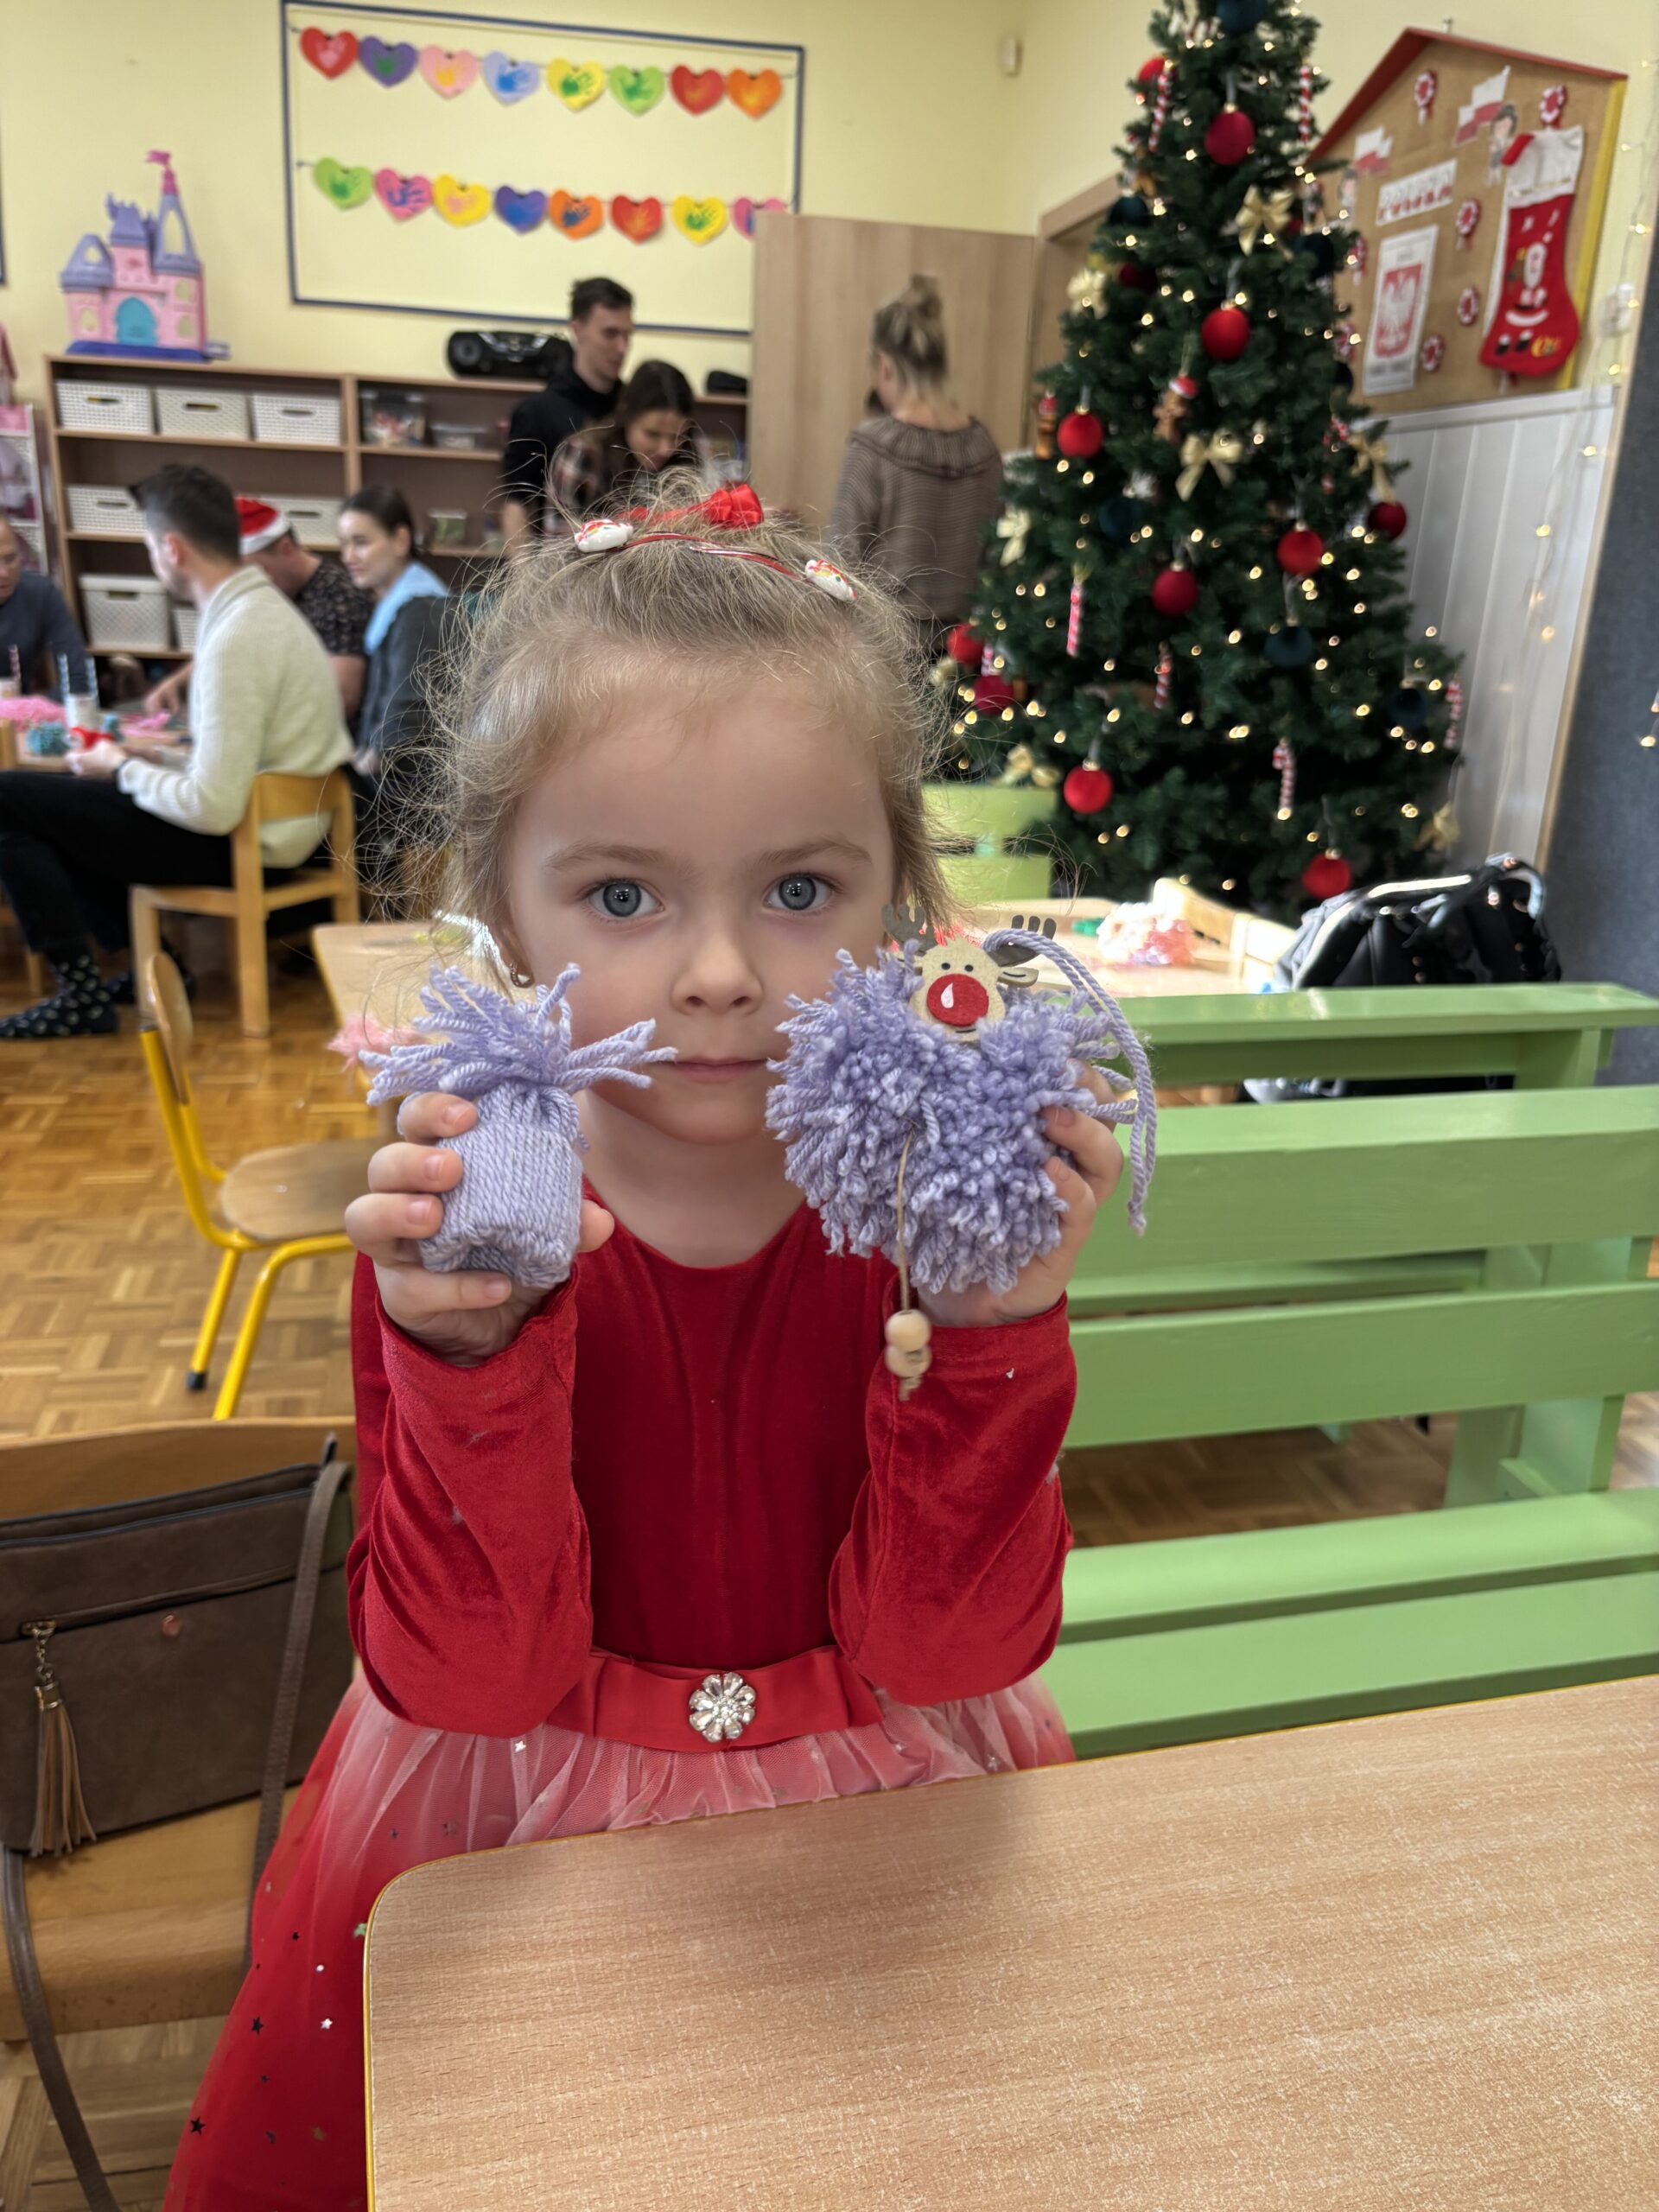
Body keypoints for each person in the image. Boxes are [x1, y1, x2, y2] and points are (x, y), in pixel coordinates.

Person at [162, 478, 1125, 2206]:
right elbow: (472, 1677)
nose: (718, 971)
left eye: (800, 886)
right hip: (503, 1825)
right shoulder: (451, 1234)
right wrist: (466, 1362)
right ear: (499, 912)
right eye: (622, 896)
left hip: (881, 1810)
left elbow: (954, 1645)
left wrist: (996, 1334)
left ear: (902, 908)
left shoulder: (927, 1222)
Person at [0, 465, 348, 1039]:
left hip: (245, 841)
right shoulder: (257, 611)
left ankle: (83, 993)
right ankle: (144, 969)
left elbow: (211, 805)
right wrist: (149, 761)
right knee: (69, 800)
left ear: (172, 548)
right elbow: (234, 762)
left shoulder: (236, 633)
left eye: (148, 548)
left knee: (12, 797)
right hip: (269, 827)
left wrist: (122, 765)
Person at [826, 276, 1003, 652]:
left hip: (886, 658)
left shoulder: (873, 447)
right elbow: (996, 564)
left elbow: (837, 571)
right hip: (963, 657)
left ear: (884, 365)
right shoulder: (984, 449)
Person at [145, 497, 371, 725]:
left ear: (286, 549)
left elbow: (342, 699)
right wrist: (178, 682)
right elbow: (231, 643)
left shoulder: (339, 600)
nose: (250, 583)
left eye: (258, 571)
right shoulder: (270, 594)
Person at [335, 486, 451, 907]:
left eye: (361, 542)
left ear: (401, 540)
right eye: (344, 544)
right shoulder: (399, 604)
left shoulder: (419, 606)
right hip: (395, 783)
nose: (349, 556)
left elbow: (409, 710)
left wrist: (366, 760)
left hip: (411, 795)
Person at [499, 276, 634, 548]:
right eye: (610, 334)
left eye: (627, 335)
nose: (622, 348)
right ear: (577, 329)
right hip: (561, 562)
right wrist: (527, 573)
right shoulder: (537, 412)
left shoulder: (633, 409)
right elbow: (517, 505)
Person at [545, 360, 709, 531]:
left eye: (677, 437)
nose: (666, 450)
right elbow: (557, 536)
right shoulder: (583, 452)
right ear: (626, 415)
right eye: (652, 434)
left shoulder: (689, 454)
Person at [0, 516, 88, 695]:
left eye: (10, 559)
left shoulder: (40, 594)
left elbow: (78, 677)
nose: (4, 573)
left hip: (20, 709)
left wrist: (36, 707)